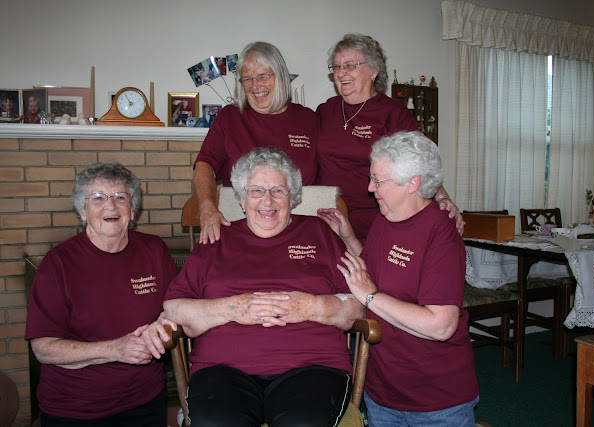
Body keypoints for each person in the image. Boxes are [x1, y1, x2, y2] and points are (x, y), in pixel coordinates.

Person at [156, 147, 363, 426]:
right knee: (219, 421)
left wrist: (312, 307)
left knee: (303, 422)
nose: (267, 201)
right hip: (223, 371)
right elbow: (174, 309)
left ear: (292, 197)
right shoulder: (215, 240)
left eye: (278, 190)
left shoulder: (320, 233)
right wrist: (232, 308)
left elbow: (358, 305)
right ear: (241, 199)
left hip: (313, 367)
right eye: (256, 191)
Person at [319, 131, 478, 427]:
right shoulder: (386, 218)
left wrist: (370, 297)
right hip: (383, 393)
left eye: (378, 180)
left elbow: (441, 325)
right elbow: (376, 271)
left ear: (412, 183)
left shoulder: (441, 233)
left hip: (435, 402)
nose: (370, 188)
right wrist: (348, 237)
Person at [24, 162, 177, 426]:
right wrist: (115, 349)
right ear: (81, 212)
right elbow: (43, 349)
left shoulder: (154, 250)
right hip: (76, 408)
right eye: (97, 198)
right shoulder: (58, 263)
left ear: (133, 209)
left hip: (145, 399)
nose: (110, 205)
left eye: (120, 197)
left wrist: (161, 330)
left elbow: (176, 310)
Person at [316, 34, 462, 242]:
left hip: (377, 220)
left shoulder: (393, 114)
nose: (341, 72)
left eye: (350, 65)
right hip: (330, 218)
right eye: (337, 66)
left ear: (374, 70)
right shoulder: (325, 110)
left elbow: (419, 163)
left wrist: (442, 198)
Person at [193, 41, 318, 244]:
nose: (255, 85)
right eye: (247, 79)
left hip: (300, 232)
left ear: (280, 76)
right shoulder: (230, 117)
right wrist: (207, 208)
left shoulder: (309, 119)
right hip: (243, 231)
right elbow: (204, 165)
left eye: (263, 76)